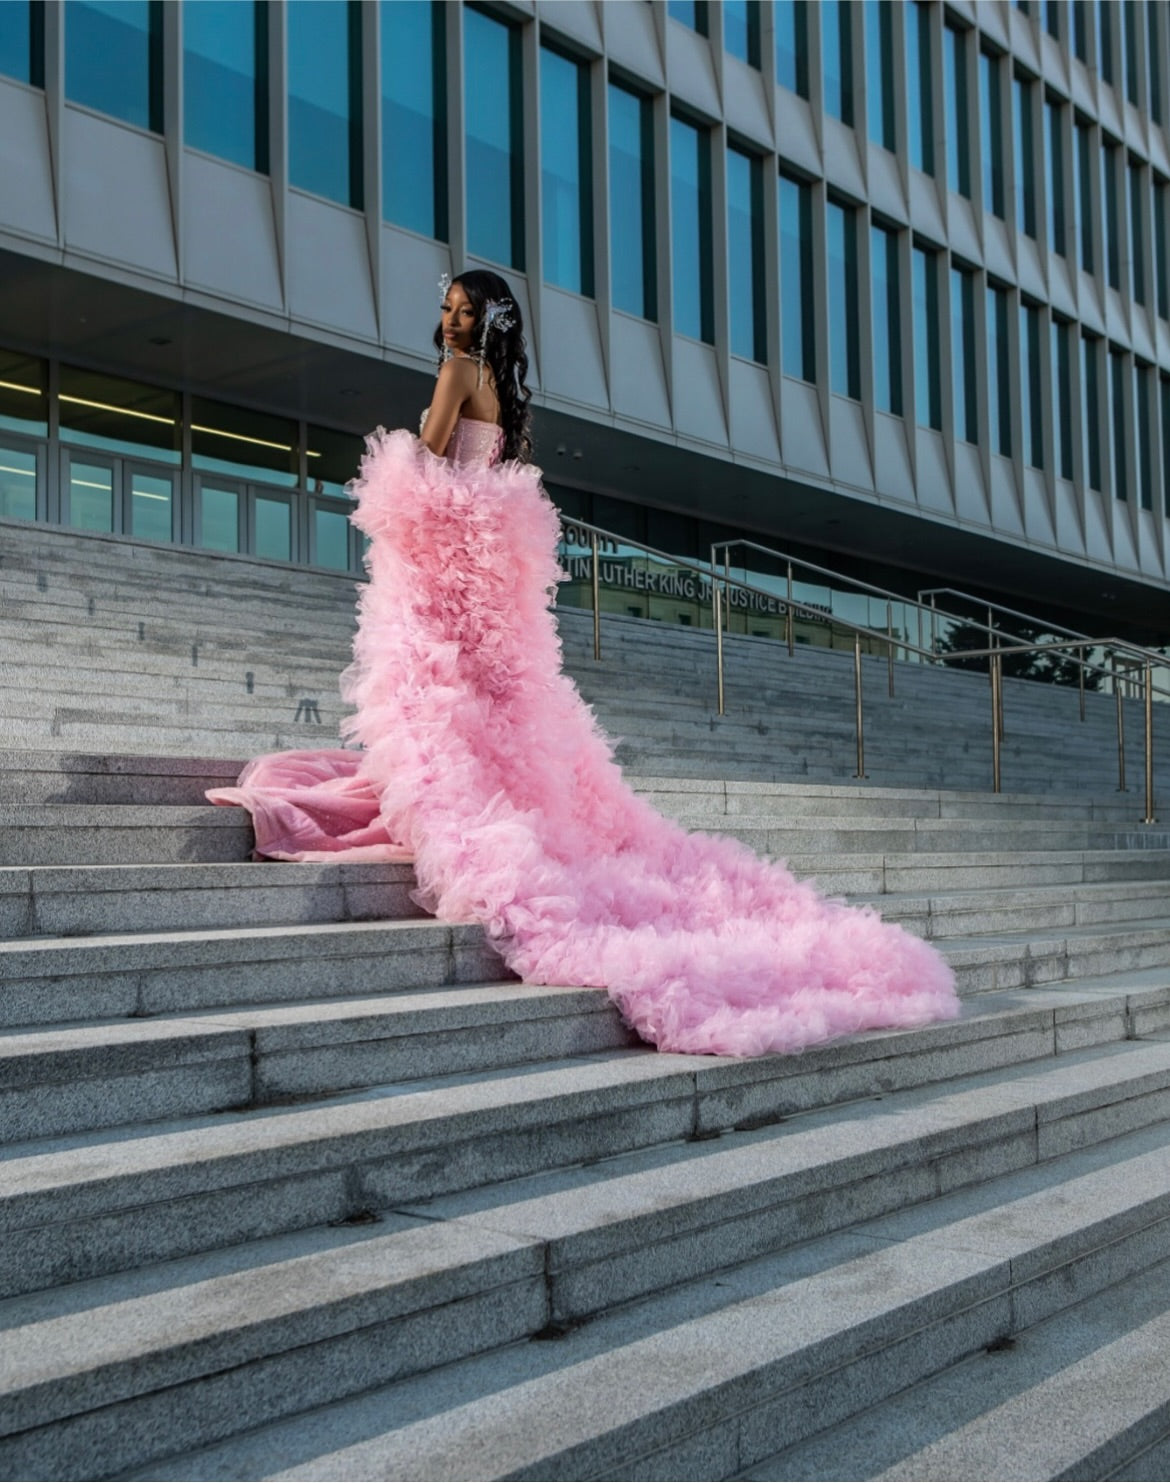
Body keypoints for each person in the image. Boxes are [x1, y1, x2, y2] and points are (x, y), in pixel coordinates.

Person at [208, 269, 959, 1056]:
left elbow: (428, 457)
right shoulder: (499, 383)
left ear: (487, 323)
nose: (453, 323)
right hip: (479, 571)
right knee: (474, 702)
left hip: (447, 569)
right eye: (447, 310)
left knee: (435, 697)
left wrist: (398, 470)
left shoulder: (459, 372)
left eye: (464, 312)